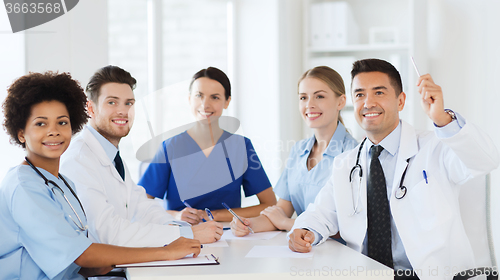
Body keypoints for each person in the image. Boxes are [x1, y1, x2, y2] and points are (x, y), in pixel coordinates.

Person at [288, 59, 499, 280]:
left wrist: (442, 119)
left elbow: (485, 161)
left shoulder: (435, 147)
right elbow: (320, 213)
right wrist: (305, 230)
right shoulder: (346, 164)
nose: (368, 103)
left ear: (401, 101)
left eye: (379, 93)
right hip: (368, 276)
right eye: (360, 94)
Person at [0, 72, 201, 280]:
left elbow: (77, 255)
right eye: (41, 124)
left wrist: (100, 264)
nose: (54, 131)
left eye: (62, 122)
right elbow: (82, 254)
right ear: (21, 133)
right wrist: (166, 252)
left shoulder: (62, 183)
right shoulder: (23, 185)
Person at [60, 65, 223, 247]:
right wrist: (186, 233)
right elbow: (107, 232)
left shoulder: (111, 155)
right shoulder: (79, 160)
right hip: (99, 273)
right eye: (112, 102)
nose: (122, 111)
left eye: (129, 103)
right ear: (91, 108)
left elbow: (143, 207)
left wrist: (181, 228)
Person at [139, 67, 276, 224]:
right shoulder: (170, 147)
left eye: (215, 97)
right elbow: (140, 206)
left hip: (228, 236)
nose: (205, 105)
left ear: (227, 101)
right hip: (180, 235)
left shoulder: (241, 146)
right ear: (190, 99)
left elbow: (270, 204)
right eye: (199, 96)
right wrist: (176, 216)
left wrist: (214, 215)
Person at [230, 66, 357, 236]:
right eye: (303, 98)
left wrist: (287, 223)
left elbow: (351, 227)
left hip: (339, 254)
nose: (309, 105)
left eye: (319, 96)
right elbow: (282, 210)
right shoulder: (299, 150)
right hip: (303, 249)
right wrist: (249, 224)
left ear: (341, 102)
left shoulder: (353, 153)